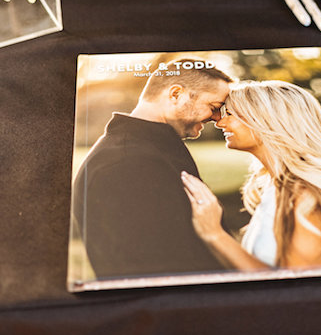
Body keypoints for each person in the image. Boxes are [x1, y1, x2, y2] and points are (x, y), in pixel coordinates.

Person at [181, 80, 321, 271]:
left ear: (266, 119)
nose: (220, 122)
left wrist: (215, 234)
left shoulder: (307, 194)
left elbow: (301, 289)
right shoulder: (277, 188)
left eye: (230, 113)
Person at [72, 58, 233, 279]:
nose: (217, 118)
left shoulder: (149, 149)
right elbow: (156, 269)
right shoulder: (126, 163)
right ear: (175, 94)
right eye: (214, 108)